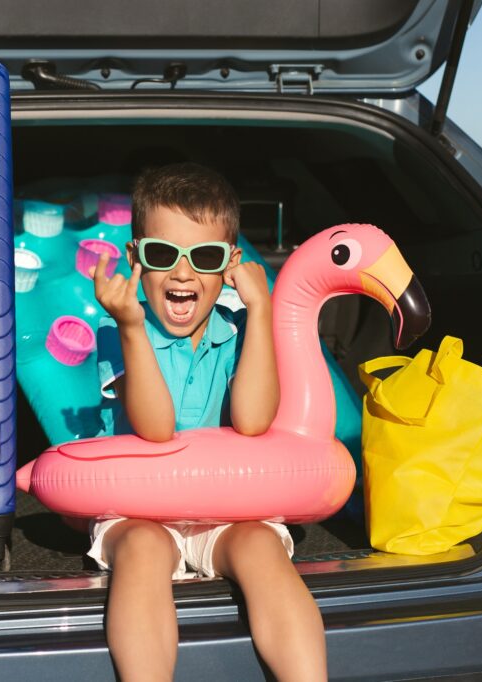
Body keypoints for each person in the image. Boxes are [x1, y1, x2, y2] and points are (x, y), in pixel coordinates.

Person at [87, 163, 327, 682]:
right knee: (144, 550)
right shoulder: (118, 329)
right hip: (139, 511)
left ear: (232, 265)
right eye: (161, 254)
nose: (182, 273)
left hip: (226, 511)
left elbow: (253, 420)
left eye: (206, 257)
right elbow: (154, 429)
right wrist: (130, 326)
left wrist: (260, 310)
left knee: (263, 547)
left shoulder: (239, 331)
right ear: (135, 257)